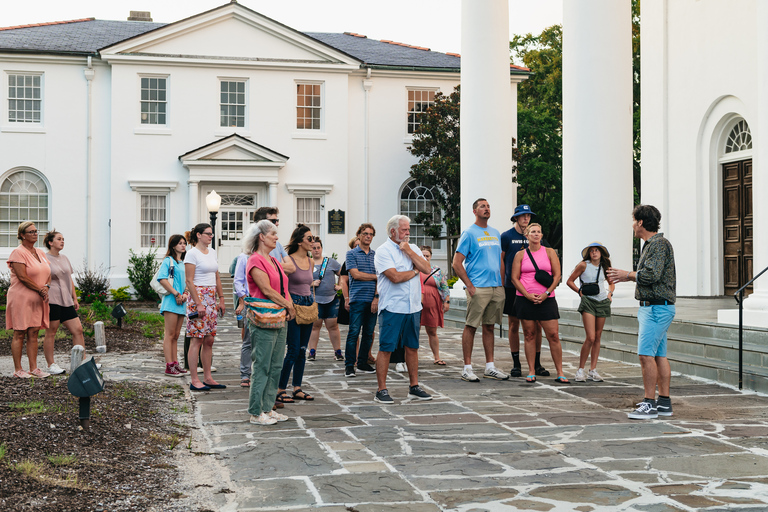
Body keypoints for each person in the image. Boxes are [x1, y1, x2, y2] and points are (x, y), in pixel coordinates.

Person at [607, 205, 676, 420]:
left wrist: (626, 275)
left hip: (656, 308)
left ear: (640, 222)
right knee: (659, 355)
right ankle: (664, 403)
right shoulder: (653, 244)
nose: (632, 225)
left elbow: (651, 275)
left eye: (633, 220)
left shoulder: (658, 244)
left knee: (646, 355)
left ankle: (649, 404)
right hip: (657, 306)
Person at [373, 215, 433, 403]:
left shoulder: (412, 248)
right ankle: (381, 390)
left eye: (408, 229)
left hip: (413, 306)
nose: (408, 233)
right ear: (393, 231)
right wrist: (415, 271)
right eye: (404, 230)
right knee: (386, 348)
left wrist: (409, 252)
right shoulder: (383, 251)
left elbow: (427, 268)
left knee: (412, 347)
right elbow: (395, 277)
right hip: (393, 306)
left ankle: (414, 386)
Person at [244, 220, 295, 425]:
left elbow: (283, 286)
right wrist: (289, 306)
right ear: (261, 236)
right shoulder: (255, 260)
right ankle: (256, 412)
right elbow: (266, 290)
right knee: (262, 365)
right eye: (273, 233)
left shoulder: (274, 260)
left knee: (275, 365)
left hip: (279, 316)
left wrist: (289, 305)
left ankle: (268, 407)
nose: (277, 237)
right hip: (264, 318)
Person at [452, 198, 508, 382]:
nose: (487, 209)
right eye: (482, 206)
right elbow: (457, 263)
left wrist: (501, 283)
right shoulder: (469, 233)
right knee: (471, 326)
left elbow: (499, 259)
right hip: (478, 287)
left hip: (495, 287)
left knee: (489, 326)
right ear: (475, 211)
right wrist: (469, 285)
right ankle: (467, 368)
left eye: (488, 206)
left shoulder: (495, 233)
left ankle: (489, 366)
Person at [510, 223, 568, 384]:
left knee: (553, 335)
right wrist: (527, 295)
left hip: (546, 298)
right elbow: (514, 277)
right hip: (525, 298)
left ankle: (560, 372)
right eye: (533, 232)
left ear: (542, 236)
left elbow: (557, 276)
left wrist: (546, 293)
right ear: (527, 235)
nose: (536, 234)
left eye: (539, 232)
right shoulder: (520, 255)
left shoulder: (549, 252)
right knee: (529, 334)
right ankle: (531, 370)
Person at [500, 204, 551, 377]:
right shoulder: (507, 236)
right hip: (511, 286)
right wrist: (501, 283)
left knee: (536, 326)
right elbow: (502, 260)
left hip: (534, 288)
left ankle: (536, 363)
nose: (526, 219)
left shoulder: (537, 236)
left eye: (528, 216)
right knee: (513, 324)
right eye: (522, 216)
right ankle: (516, 363)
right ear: (516, 218)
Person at [276, 225, 316, 403]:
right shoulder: (289, 261)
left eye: (313, 238)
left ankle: (297, 388)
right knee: (292, 350)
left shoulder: (311, 261)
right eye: (309, 238)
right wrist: (289, 305)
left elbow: (309, 284)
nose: (313, 242)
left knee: (302, 350)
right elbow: (283, 284)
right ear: (300, 241)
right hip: (294, 305)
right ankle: (280, 388)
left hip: (308, 305)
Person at [184, 223, 226, 391]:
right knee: (197, 338)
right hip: (198, 297)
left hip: (211, 298)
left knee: (209, 339)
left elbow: (217, 276)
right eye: (208, 234)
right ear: (199, 235)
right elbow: (189, 280)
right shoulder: (192, 254)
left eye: (212, 233)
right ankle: (194, 380)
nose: (211, 236)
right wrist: (199, 303)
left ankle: (208, 377)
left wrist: (221, 299)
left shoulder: (213, 253)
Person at [566, 242, 615, 382]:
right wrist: (580, 292)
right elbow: (570, 281)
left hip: (602, 301)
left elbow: (611, 282)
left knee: (598, 336)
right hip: (588, 301)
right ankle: (580, 369)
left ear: (601, 253)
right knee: (591, 337)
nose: (594, 253)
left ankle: (593, 369)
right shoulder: (583, 265)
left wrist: (610, 294)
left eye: (597, 251)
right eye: (592, 251)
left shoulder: (604, 266)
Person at [7, 221, 51, 378]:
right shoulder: (17, 253)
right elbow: (22, 277)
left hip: (38, 298)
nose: (35, 234)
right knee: (20, 332)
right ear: (22, 235)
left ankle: (34, 368)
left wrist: (46, 286)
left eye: (36, 231)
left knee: (34, 332)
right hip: (21, 298)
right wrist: (40, 289)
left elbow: (48, 272)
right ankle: (18, 370)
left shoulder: (40, 252)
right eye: (31, 231)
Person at [41, 229, 85, 375]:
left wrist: (75, 297)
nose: (62, 241)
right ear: (50, 242)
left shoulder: (64, 258)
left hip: (66, 299)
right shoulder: (44, 259)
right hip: (52, 300)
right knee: (51, 332)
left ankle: (82, 362)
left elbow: (69, 279)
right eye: (59, 239)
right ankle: (51, 364)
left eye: (63, 239)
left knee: (78, 329)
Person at [344, 223, 379, 378]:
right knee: (353, 332)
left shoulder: (376, 255)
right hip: (357, 299)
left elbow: (381, 279)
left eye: (371, 234)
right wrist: (375, 277)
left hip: (372, 299)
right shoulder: (351, 254)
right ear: (358, 235)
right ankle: (350, 365)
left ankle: (363, 362)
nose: (368, 236)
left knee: (368, 333)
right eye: (365, 233)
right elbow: (356, 275)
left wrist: (376, 297)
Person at [157, 234, 189, 377]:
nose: (183, 245)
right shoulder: (168, 261)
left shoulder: (183, 262)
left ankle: (175, 363)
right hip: (171, 301)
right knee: (169, 335)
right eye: (180, 243)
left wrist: (185, 294)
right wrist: (176, 294)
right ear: (173, 245)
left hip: (182, 302)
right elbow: (162, 279)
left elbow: (188, 281)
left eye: (184, 243)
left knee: (176, 335)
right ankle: (169, 365)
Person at [307, 237, 343, 362]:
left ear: (321, 248)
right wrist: (311, 283)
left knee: (333, 326)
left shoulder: (330, 262)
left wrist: (341, 286)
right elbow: (299, 281)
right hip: (315, 299)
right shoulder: (307, 263)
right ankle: (312, 351)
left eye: (318, 248)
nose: (316, 250)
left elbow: (342, 274)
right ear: (310, 249)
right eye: (314, 248)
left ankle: (337, 351)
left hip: (331, 299)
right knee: (315, 326)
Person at [419, 245, 450, 365]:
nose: (425, 257)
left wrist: (446, 301)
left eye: (427, 255)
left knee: (432, 331)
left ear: (431, 257)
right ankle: (410, 356)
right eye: (423, 255)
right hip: (416, 304)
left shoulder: (436, 270)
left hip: (432, 304)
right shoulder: (413, 267)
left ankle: (437, 357)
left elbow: (444, 286)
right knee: (413, 331)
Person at [336, 236, 358, 327]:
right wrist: (346, 299)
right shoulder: (348, 262)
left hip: (366, 296)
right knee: (354, 327)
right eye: (356, 246)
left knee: (369, 329)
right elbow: (343, 281)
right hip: (352, 296)